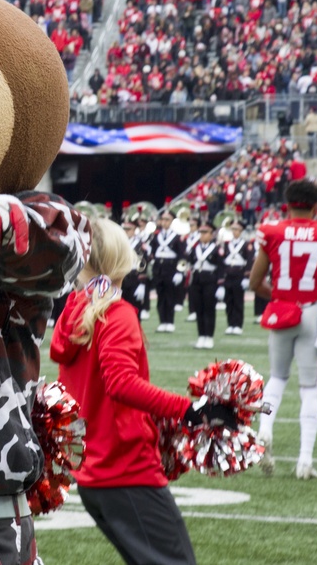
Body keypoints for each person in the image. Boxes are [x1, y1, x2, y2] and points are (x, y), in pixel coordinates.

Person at [50, 217, 235, 565]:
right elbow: (121, 384)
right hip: (125, 470)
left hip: (93, 473)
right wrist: (192, 410)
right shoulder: (115, 313)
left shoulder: (76, 309)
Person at [249, 179, 317, 480]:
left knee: (276, 378)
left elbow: (254, 282)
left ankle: (264, 429)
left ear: (287, 205)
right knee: (309, 387)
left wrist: (280, 299)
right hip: (312, 310)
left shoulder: (272, 230)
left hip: (282, 310)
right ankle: (304, 461)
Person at [188, 220, 224, 349]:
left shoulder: (216, 248)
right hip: (197, 281)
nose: (202, 235)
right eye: (201, 232)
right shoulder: (194, 247)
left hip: (210, 281)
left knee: (209, 309)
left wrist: (220, 285)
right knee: (199, 309)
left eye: (205, 232)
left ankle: (209, 336)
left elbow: (221, 267)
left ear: (212, 234)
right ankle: (201, 336)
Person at [149, 210, 186, 333]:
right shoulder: (155, 236)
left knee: (170, 297)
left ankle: (169, 321)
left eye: (167, 220)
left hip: (171, 270)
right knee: (160, 297)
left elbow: (182, 256)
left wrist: (179, 272)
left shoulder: (177, 237)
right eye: (163, 220)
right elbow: (152, 253)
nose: (164, 222)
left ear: (171, 222)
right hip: (159, 269)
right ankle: (162, 321)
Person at [222, 220, 254, 335]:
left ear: (241, 231)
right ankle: (230, 324)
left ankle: (237, 324)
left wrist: (247, 276)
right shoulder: (226, 244)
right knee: (228, 301)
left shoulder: (246, 245)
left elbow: (250, 261)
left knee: (238, 301)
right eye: (233, 229)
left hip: (239, 275)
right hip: (228, 275)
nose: (234, 232)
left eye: (237, 230)